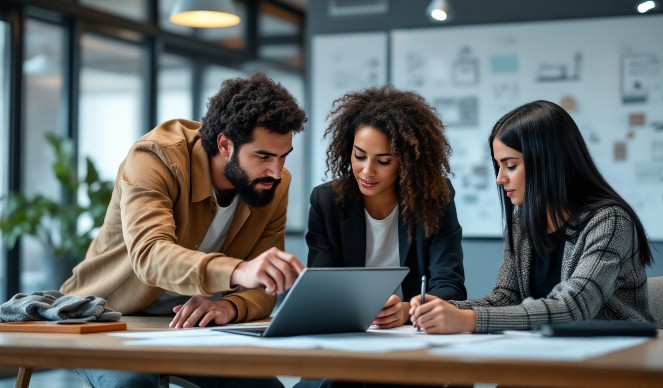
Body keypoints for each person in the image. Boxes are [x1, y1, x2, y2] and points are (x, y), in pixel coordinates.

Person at [61, 72, 307, 388]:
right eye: (263, 156)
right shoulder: (155, 156)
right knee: (133, 385)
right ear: (225, 144)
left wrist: (229, 306)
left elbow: (263, 288)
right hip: (108, 318)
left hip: (189, 325)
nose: (276, 171)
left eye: (283, 156)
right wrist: (239, 271)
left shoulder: (273, 184)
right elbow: (149, 255)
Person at [410, 99, 655, 334]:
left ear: (547, 162)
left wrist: (468, 319)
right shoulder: (522, 222)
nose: (500, 178)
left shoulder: (610, 221)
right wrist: (446, 310)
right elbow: (506, 298)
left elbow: (574, 307)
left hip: (616, 360)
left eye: (511, 165)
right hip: (550, 353)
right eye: (498, 166)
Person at [297, 85, 466, 388]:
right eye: (359, 156)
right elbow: (320, 286)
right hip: (347, 344)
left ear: (406, 162)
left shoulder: (434, 198)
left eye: (383, 161)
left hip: (412, 343)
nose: (366, 171)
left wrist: (406, 311)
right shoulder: (326, 202)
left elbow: (450, 286)